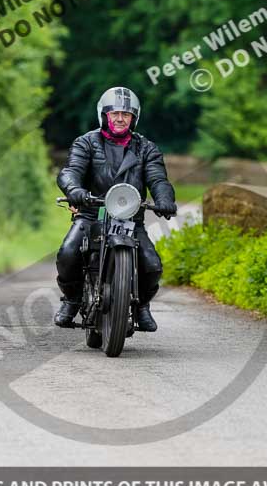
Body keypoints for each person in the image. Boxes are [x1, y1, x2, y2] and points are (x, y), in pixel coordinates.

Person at [54, 86, 177, 332]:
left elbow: (158, 180)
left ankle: (141, 306)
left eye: (126, 114)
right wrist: (75, 191)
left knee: (152, 265)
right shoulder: (86, 142)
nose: (120, 118)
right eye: (115, 113)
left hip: (130, 219)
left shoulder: (146, 148)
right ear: (104, 115)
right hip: (91, 213)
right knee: (68, 253)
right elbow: (70, 171)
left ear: (134, 118)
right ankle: (72, 300)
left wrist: (165, 199)